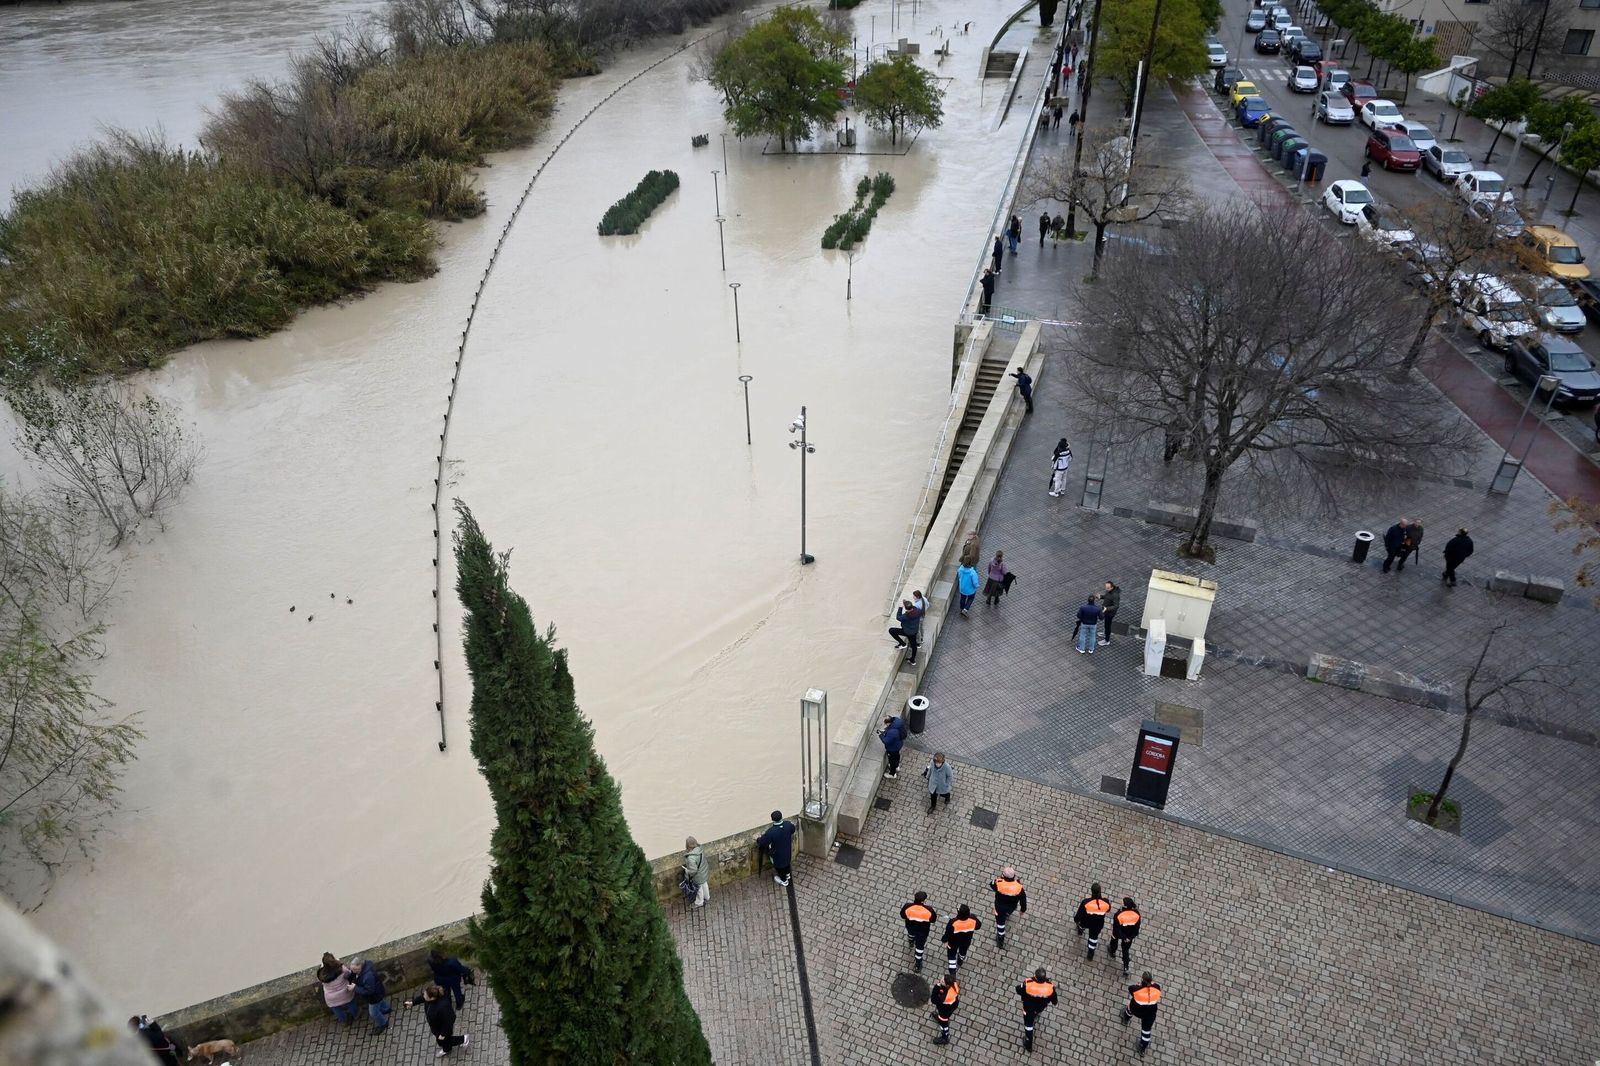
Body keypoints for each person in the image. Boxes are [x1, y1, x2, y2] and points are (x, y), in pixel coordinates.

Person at [404, 984, 469, 1057]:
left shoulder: (444, 1007)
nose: (423, 996)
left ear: (432, 998)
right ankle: (447, 1049)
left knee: (445, 1041)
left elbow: (449, 1020)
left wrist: (443, 1033)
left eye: (425, 995)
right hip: (436, 1027)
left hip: (442, 1029)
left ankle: (463, 1039)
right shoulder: (431, 997)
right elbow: (422, 998)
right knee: (441, 1041)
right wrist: (413, 1003)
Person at [1121, 972, 1163, 1056]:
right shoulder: (1157, 987)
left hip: (1137, 1010)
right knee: (1146, 1031)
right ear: (1151, 980)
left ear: (1142, 979)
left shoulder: (1137, 989)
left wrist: (1139, 985)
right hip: (1150, 1014)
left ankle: (1126, 1019)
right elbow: (1156, 987)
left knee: (1130, 1008)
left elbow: (1130, 989)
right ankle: (1142, 1048)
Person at [1016, 968, 1058, 1052]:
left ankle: (1028, 1044)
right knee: (1035, 1013)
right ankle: (1035, 1015)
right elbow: (1054, 1000)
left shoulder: (1028, 983)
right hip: (1039, 1008)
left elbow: (1018, 989)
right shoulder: (1050, 987)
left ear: (1035, 976)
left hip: (1028, 1008)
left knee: (1028, 1026)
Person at [350, 957, 392, 1034]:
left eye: (355, 970)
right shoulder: (368, 963)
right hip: (379, 991)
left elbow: (369, 991)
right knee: (381, 1001)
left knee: (373, 1013)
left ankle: (383, 1024)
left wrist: (355, 988)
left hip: (374, 997)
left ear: (360, 967)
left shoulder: (367, 977)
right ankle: (387, 1009)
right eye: (352, 969)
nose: (353, 972)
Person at [757, 810, 797, 887]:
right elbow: (793, 829)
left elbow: (763, 842)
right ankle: (788, 874)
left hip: (777, 853)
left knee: (779, 866)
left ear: (772, 819)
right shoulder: (788, 825)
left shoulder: (771, 832)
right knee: (787, 861)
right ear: (781, 817)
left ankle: (784, 881)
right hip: (787, 849)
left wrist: (758, 840)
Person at [991, 866, 1028, 949]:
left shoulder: (999, 883)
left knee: (1000, 922)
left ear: (1003, 876)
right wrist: (1023, 910)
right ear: (1014, 876)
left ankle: (1000, 937)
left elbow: (991, 884)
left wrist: (1000, 879)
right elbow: (1023, 900)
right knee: (1007, 913)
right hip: (1011, 906)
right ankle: (1007, 915)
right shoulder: (1019, 887)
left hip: (999, 907)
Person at [316, 952, 358, 1024]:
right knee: (350, 1002)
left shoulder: (321, 974)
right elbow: (348, 974)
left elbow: (321, 982)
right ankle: (356, 1014)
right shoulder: (341, 969)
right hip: (345, 992)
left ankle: (344, 1020)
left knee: (336, 1008)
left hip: (331, 996)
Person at [901, 890, 937, 972]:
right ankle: (918, 964)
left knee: (911, 935)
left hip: (911, 927)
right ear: (923, 901)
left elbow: (902, 915)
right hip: (922, 931)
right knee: (919, 948)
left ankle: (911, 941)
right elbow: (933, 920)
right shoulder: (929, 909)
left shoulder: (907, 906)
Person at [1074, 882, 1112, 960]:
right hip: (1098, 924)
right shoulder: (1106, 902)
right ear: (1100, 891)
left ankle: (1080, 930)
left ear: (1091, 891)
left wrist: (1076, 920)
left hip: (1086, 922)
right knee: (1093, 938)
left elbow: (1079, 914)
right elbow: (1108, 910)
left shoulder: (1086, 902)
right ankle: (1090, 954)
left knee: (1081, 926)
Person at [940, 903, 981, 974]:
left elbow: (948, 933)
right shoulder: (973, 920)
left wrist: (944, 940)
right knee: (963, 952)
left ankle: (952, 973)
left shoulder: (953, 922)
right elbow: (978, 926)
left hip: (953, 942)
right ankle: (960, 960)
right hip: (966, 941)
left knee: (952, 955)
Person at [1110, 897, 1142, 974]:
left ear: (1125, 906)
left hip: (1119, 933)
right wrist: (1129, 938)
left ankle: (1113, 951)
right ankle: (1126, 967)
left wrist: (1123, 937)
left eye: (1122, 902)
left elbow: (1116, 928)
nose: (1121, 903)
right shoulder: (1137, 914)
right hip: (1129, 935)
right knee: (1125, 950)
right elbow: (1136, 929)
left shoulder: (1118, 915)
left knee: (1114, 941)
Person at [889, 598, 923, 665]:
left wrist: (900, 608)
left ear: (906, 608)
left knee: (891, 630)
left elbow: (898, 617)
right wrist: (905, 603)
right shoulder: (917, 610)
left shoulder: (906, 616)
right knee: (914, 646)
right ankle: (912, 660)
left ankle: (902, 644)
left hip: (907, 632)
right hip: (914, 631)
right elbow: (912, 607)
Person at [930, 974, 961, 1045]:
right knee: (942, 1018)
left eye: (943, 981)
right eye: (942, 978)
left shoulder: (945, 996)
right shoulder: (953, 984)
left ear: (947, 985)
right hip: (952, 1005)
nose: (941, 980)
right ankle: (940, 1019)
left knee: (943, 1023)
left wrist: (937, 987)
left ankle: (945, 1037)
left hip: (945, 1010)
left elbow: (933, 1000)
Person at [683, 836, 711, 907]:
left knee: (699, 889)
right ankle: (707, 897)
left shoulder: (691, 858)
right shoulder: (700, 849)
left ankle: (699, 902)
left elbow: (693, 871)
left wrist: (687, 871)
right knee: (704, 883)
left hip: (698, 876)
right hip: (704, 871)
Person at [1098, 581, 1120, 645]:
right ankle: (1105, 634)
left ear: (1112, 587)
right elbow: (1107, 597)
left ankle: (1107, 640)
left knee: (1107, 626)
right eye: (1106, 587)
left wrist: (1107, 608)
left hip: (1110, 613)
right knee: (1106, 625)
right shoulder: (1110, 591)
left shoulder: (1115, 595)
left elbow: (1116, 606)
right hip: (1106, 611)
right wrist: (1101, 597)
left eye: (1108, 588)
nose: (1106, 589)